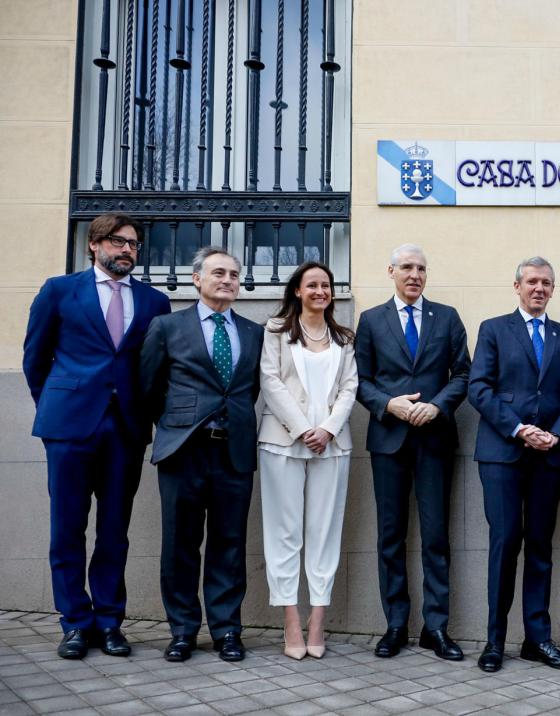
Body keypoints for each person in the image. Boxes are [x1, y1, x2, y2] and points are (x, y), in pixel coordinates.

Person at [23, 213, 171, 659]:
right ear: (94, 244)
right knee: (67, 528)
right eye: (117, 241)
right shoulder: (59, 290)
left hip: (125, 428)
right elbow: (35, 359)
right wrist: (57, 406)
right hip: (69, 427)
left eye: (133, 244)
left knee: (113, 531)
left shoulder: (154, 301)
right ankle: (74, 623)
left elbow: (155, 367)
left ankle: (109, 622)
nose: (127, 249)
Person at [140, 246, 264, 663]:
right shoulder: (166, 326)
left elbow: (250, 390)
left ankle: (227, 630)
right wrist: (176, 424)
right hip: (183, 451)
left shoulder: (253, 332)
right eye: (218, 273)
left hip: (234, 452)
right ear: (197, 280)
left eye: (233, 274)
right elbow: (148, 387)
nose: (227, 280)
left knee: (229, 544)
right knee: (180, 543)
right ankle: (182, 631)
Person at [468, 256, 560, 673]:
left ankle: (538, 640)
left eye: (546, 283)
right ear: (517, 286)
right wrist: (519, 428)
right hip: (502, 454)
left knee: (540, 546)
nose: (539, 288)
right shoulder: (493, 329)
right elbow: (479, 388)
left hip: (549, 455)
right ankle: (494, 641)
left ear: (553, 289)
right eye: (532, 281)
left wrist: (558, 434)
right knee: (504, 544)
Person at [354, 244, 470, 661]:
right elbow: (360, 380)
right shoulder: (371, 320)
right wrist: (389, 404)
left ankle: (436, 628)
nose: (414, 274)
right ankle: (396, 625)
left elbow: (463, 374)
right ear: (391, 272)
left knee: (436, 536)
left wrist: (437, 406)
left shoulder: (447, 317)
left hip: (434, 439)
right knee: (391, 536)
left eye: (421, 268)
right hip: (389, 439)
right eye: (406, 267)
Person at [258, 261, 357, 660]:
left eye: (326, 285)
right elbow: (270, 381)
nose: (320, 291)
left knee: (324, 532)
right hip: (282, 443)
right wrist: (303, 429)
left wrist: (328, 429)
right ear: (297, 290)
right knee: (284, 534)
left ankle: (318, 619)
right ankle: (291, 621)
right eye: (312, 284)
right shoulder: (276, 331)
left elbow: (350, 387)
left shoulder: (343, 338)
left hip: (332, 446)